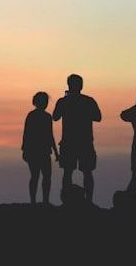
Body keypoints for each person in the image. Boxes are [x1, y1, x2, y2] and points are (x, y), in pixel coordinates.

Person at [53, 74, 102, 203]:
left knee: (67, 172)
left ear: (69, 85)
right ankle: (89, 201)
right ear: (81, 86)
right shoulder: (88, 100)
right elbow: (98, 117)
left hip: (68, 142)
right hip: (85, 142)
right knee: (87, 172)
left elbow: (55, 117)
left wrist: (65, 101)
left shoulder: (63, 101)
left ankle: (66, 201)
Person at [22, 92, 59, 205]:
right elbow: (27, 134)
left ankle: (43, 201)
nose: (45, 103)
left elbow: (49, 135)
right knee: (38, 177)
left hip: (40, 151)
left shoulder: (44, 117)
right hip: (36, 151)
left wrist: (56, 153)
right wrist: (25, 150)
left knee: (42, 177)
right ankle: (38, 201)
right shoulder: (34, 116)